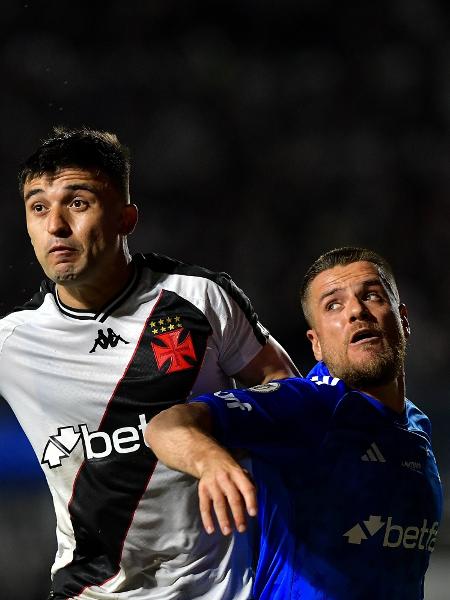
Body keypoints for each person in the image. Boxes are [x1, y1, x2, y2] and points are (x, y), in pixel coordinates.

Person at [0, 126, 298, 599]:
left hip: (220, 589)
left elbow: (288, 394)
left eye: (77, 203)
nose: (55, 225)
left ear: (126, 217)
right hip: (90, 591)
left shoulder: (199, 299)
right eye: (38, 207)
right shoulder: (12, 343)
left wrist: (214, 432)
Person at [146, 247, 443, 600]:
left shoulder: (416, 426)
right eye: (333, 304)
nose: (356, 311)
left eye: (372, 296)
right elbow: (166, 426)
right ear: (316, 345)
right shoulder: (309, 406)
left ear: (404, 320)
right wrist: (210, 462)